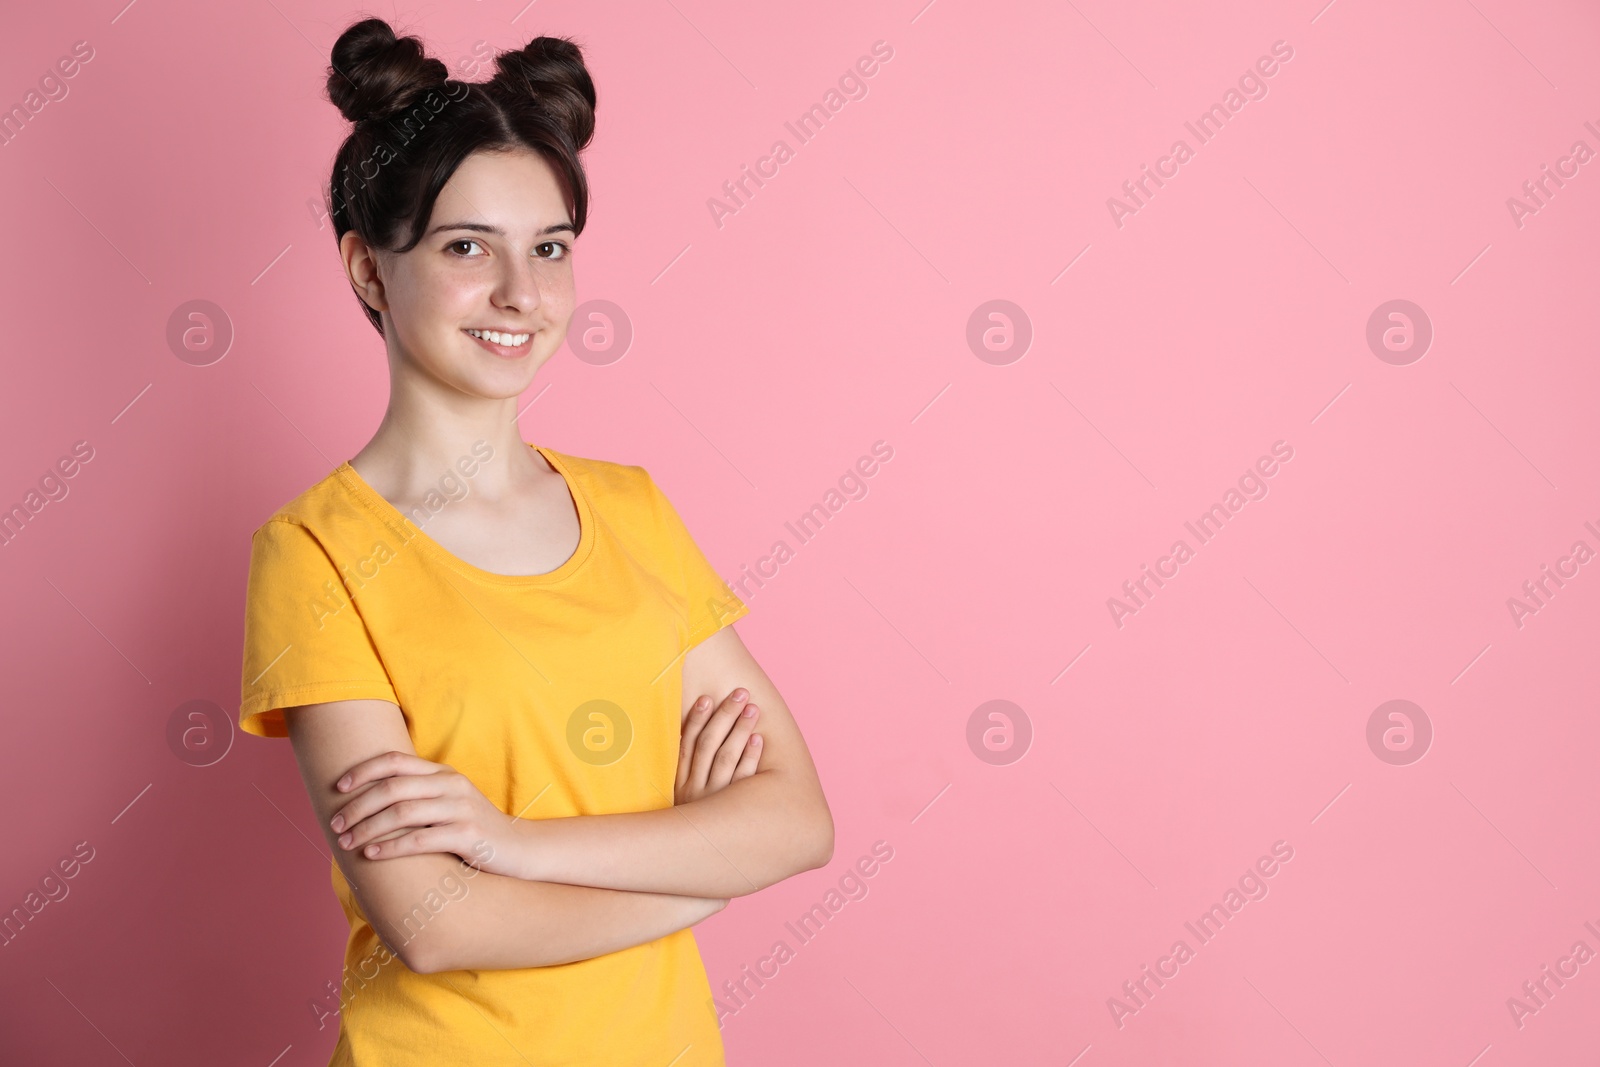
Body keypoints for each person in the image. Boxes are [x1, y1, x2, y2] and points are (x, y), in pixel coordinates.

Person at [236, 18, 833, 1066]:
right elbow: (436, 923)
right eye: (468, 246)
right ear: (368, 269)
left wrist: (507, 843)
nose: (523, 294)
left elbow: (797, 819)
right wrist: (705, 864)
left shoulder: (630, 507)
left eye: (549, 248)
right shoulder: (314, 551)